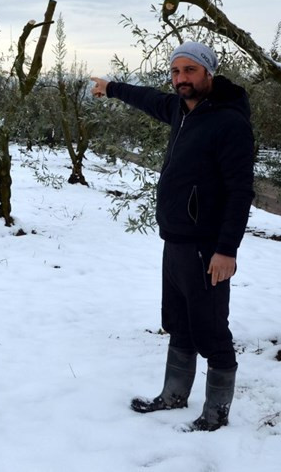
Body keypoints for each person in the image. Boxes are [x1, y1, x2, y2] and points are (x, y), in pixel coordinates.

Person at [90, 41, 255, 432]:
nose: (181, 79)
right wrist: (111, 87)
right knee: (178, 322)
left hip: (207, 247)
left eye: (190, 71)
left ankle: (216, 413)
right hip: (176, 240)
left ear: (208, 73)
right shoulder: (181, 110)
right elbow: (148, 98)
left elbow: (240, 191)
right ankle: (174, 395)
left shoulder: (229, 123)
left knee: (211, 329)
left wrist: (226, 250)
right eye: (176, 72)